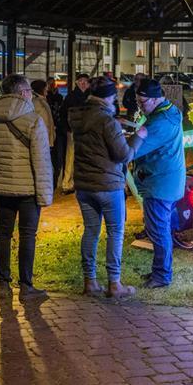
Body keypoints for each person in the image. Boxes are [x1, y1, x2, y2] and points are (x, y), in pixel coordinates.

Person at [0, 74, 53, 300]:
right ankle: (26, 286)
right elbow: (41, 162)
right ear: (23, 93)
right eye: (29, 93)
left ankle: (3, 283)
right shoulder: (33, 121)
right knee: (27, 235)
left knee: (3, 233)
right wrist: (45, 195)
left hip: (2, 187)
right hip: (28, 190)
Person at [68, 75, 137, 298]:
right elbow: (123, 154)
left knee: (91, 231)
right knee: (115, 232)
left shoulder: (78, 116)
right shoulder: (107, 121)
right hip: (108, 184)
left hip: (84, 184)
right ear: (108, 98)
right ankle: (114, 284)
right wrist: (139, 138)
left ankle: (90, 282)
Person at [128, 78, 186, 289]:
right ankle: (160, 271)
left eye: (142, 102)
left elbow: (132, 151)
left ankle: (162, 275)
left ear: (154, 99)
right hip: (167, 181)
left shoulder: (159, 123)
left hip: (160, 184)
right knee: (162, 229)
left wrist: (132, 138)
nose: (140, 106)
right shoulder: (170, 112)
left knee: (158, 231)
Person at [58, 73, 91, 193]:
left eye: (85, 81)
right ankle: (67, 183)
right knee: (71, 156)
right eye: (81, 81)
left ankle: (75, 182)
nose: (83, 83)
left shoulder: (86, 96)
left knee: (78, 156)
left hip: (85, 131)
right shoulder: (72, 97)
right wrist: (67, 128)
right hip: (74, 130)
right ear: (77, 82)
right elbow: (62, 114)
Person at [30, 79, 56, 151]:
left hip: (43, 137)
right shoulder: (38, 102)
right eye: (46, 89)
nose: (47, 91)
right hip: (41, 138)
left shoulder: (41, 101)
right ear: (42, 89)